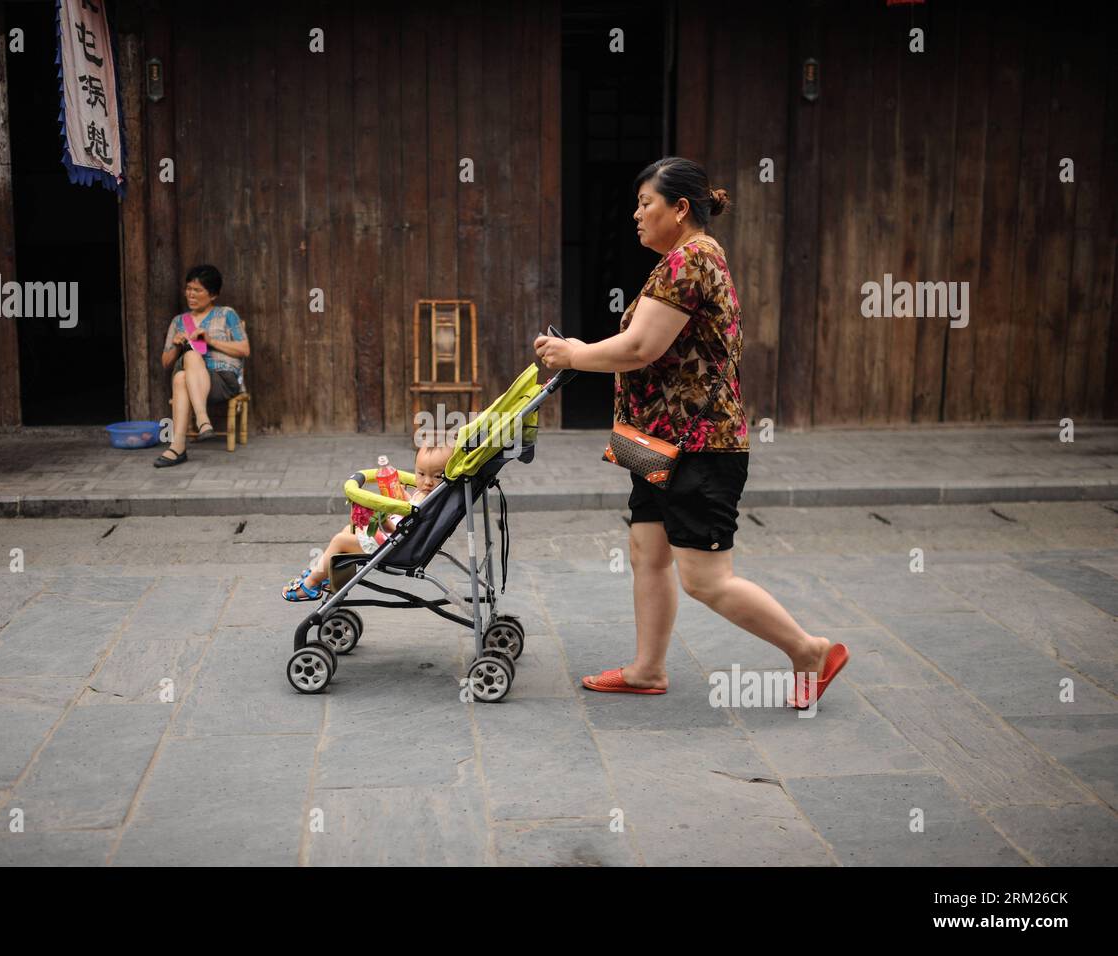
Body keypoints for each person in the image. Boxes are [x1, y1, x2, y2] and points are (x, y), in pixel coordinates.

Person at [533, 157, 848, 708]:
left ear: (680, 209)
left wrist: (574, 354)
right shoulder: (682, 260)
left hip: (700, 447)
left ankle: (809, 650)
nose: (635, 215)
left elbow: (639, 348)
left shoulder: (691, 261)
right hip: (656, 443)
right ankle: (647, 670)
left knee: (705, 578)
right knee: (646, 552)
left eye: (645, 203)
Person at [283, 439, 456, 601]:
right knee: (347, 531)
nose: (427, 482)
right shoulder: (431, 496)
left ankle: (310, 584)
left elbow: (402, 526)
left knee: (340, 540)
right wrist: (402, 495)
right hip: (395, 540)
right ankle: (328, 576)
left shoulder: (427, 500)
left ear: (449, 475)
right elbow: (410, 513)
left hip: (394, 547)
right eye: (421, 473)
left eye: (437, 476)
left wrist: (384, 519)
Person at [154, 265, 249, 467]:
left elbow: (244, 349)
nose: (191, 294)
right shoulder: (179, 322)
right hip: (192, 379)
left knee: (186, 368)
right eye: (189, 289)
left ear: (213, 294)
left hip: (222, 380)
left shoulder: (226, 314)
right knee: (184, 368)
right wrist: (177, 346)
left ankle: (181, 443)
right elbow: (165, 362)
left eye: (197, 290)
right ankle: (198, 425)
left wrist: (210, 340)